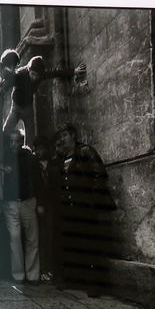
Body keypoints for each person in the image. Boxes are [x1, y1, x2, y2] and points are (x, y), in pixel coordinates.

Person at [49, 124, 117, 296]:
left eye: (64, 135)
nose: (62, 139)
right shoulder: (62, 158)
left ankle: (95, 285)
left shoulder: (86, 151)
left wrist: (92, 200)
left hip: (85, 207)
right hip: (69, 209)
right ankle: (76, 280)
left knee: (90, 245)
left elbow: (99, 175)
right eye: (60, 137)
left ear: (73, 135)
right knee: (73, 244)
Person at [1, 55, 86, 140]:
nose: (34, 78)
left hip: (28, 108)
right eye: (33, 74)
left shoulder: (41, 75)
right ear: (29, 70)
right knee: (6, 131)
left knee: (30, 136)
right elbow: (7, 83)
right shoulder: (20, 74)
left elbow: (55, 73)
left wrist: (74, 71)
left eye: (37, 75)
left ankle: (29, 152)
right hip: (16, 108)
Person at [2, 129, 40, 284]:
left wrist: (38, 201)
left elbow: (37, 180)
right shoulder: (3, 157)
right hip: (10, 203)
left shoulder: (29, 158)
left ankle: (33, 276)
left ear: (22, 142)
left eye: (17, 141)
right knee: (15, 238)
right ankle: (18, 275)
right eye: (11, 141)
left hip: (28, 201)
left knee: (32, 238)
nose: (14, 144)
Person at [31, 135, 54, 282]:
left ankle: (50, 269)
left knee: (50, 237)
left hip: (52, 205)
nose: (38, 151)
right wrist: (39, 204)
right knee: (40, 238)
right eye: (36, 149)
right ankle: (42, 269)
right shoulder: (34, 165)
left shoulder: (54, 163)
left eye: (40, 148)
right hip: (39, 205)